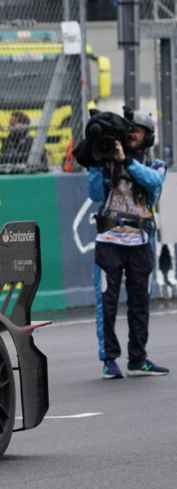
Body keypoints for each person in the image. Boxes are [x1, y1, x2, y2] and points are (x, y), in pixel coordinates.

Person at [86, 110, 169, 379]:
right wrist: (98, 163)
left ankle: (138, 358)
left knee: (140, 303)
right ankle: (109, 359)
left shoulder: (156, 164)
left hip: (141, 243)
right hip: (108, 242)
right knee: (106, 304)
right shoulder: (108, 161)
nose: (133, 133)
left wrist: (127, 161)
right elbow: (95, 194)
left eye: (139, 130)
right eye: (130, 129)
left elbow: (154, 183)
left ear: (148, 135)